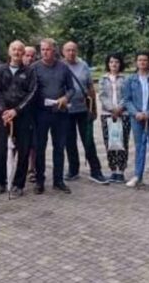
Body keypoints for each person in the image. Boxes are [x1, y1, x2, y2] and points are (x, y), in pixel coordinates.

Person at [0, 40, 37, 197]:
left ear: (23, 53)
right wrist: (4, 111)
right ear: (9, 51)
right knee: (1, 149)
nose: (17, 52)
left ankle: (18, 184)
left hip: (23, 116)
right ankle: (0, 182)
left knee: (23, 151)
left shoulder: (30, 72)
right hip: (4, 116)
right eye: (14, 49)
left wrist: (16, 110)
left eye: (19, 50)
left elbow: (32, 93)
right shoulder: (0, 70)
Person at [31, 38, 75, 194]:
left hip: (60, 113)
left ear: (54, 50)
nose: (45, 52)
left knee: (59, 147)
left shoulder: (63, 67)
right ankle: (40, 181)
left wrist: (66, 98)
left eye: (48, 49)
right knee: (40, 147)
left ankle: (58, 180)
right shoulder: (34, 68)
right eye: (42, 49)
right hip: (41, 113)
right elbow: (29, 90)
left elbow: (71, 89)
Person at [62, 42, 108, 185]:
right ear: (63, 52)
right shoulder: (60, 66)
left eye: (73, 50)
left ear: (77, 51)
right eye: (68, 50)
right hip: (67, 111)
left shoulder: (83, 66)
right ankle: (73, 169)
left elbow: (90, 87)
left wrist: (93, 109)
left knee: (88, 141)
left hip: (83, 110)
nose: (71, 53)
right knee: (69, 142)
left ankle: (96, 171)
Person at [122, 51, 149, 190]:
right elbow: (127, 99)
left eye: (145, 60)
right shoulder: (130, 80)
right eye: (140, 60)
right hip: (136, 117)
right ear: (136, 62)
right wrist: (135, 113)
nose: (142, 62)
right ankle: (137, 175)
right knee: (139, 146)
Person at [98, 53, 131, 183]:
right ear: (108, 64)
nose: (114, 64)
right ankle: (112, 170)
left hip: (123, 114)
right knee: (110, 142)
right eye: (111, 62)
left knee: (122, 142)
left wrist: (119, 109)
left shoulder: (126, 79)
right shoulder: (103, 79)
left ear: (120, 64)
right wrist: (112, 109)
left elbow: (127, 96)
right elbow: (102, 96)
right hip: (107, 114)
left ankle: (121, 171)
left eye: (116, 62)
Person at [23, 45, 39, 183]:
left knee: (34, 142)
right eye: (27, 55)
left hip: (35, 111)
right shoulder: (15, 70)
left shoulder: (37, 70)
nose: (29, 58)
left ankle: (31, 168)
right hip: (18, 111)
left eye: (32, 56)